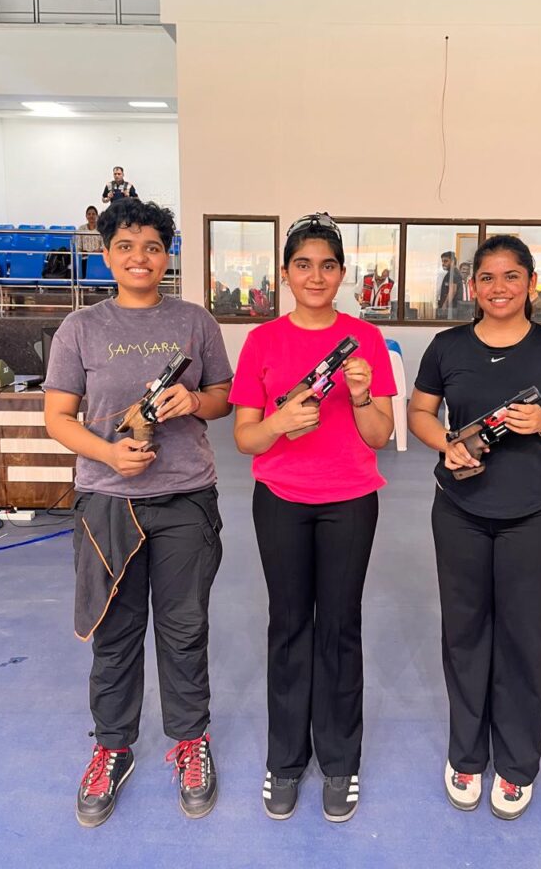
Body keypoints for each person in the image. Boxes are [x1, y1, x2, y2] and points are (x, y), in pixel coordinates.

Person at [44, 199, 233, 828]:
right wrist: (108, 454)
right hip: (107, 501)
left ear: (167, 255)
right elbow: (57, 417)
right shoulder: (80, 328)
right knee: (116, 631)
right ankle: (112, 748)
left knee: (184, 629)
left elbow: (224, 397)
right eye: (125, 246)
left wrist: (194, 401)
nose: (140, 258)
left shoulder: (195, 321)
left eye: (152, 246)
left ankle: (190, 741)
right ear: (106, 256)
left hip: (185, 497)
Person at [408, 234, 541, 821]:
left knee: (523, 639)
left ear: (531, 284)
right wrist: (447, 444)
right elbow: (419, 412)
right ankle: (466, 755)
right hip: (459, 511)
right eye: (486, 277)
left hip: (533, 517)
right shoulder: (447, 346)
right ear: (472, 287)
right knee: (464, 634)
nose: (498, 287)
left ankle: (516, 764)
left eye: (511, 276)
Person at [230, 212, 396, 823]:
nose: (316, 276)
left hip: (350, 500)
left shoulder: (365, 340)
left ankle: (340, 760)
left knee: (340, 627)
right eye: (303, 265)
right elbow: (245, 438)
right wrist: (278, 423)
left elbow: (379, 434)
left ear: (343, 274)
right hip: (281, 501)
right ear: (285, 274)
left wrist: (360, 396)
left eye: (328, 265)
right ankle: (285, 759)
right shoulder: (263, 341)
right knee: (289, 625)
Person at [437, 251, 462, 319]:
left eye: (445, 261)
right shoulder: (451, 273)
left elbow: (452, 290)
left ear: (452, 262)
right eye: (442, 261)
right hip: (451, 309)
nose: (443, 263)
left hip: (451, 309)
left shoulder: (453, 273)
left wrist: (445, 305)